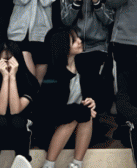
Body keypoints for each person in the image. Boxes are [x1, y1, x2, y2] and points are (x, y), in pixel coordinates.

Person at [60, 0, 114, 112]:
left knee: (92, 85)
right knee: (75, 87)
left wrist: (97, 2)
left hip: (98, 45)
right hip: (75, 45)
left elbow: (109, 20)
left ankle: (91, 119)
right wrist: (77, 1)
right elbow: (65, 20)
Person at [42, 29, 97, 168]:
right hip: (53, 128)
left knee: (85, 113)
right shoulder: (54, 74)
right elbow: (53, 111)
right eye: (74, 40)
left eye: (78, 38)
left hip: (80, 129)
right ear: (63, 46)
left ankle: (76, 165)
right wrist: (79, 110)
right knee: (77, 114)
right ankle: (48, 165)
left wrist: (92, 101)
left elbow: (98, 92)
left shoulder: (84, 65)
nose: (79, 41)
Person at [0, 41, 38, 167]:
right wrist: (5, 78)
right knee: (0, 121)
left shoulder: (29, 81)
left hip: (20, 131)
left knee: (18, 121)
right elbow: (0, 110)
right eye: (4, 61)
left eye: (11, 60)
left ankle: (22, 165)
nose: (8, 65)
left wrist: (13, 77)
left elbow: (15, 110)